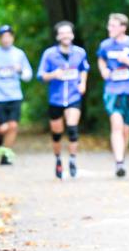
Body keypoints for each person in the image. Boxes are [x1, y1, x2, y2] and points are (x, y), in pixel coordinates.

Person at [96, 13, 129, 177]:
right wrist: (104, 70)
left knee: (126, 130)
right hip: (112, 91)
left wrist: (127, 60)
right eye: (109, 25)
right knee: (116, 126)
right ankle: (119, 162)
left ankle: (121, 159)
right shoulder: (105, 45)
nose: (109, 28)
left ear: (123, 28)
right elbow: (101, 59)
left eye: (112, 25)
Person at [37, 21, 90, 179]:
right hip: (56, 99)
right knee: (57, 133)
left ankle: (73, 160)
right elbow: (41, 75)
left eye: (68, 32)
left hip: (73, 96)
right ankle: (58, 159)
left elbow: (84, 69)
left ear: (73, 35)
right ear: (58, 36)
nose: (66, 35)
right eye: (62, 33)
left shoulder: (80, 53)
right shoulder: (49, 54)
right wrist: (54, 74)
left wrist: (83, 83)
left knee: (72, 129)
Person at [0, 25, 34, 165]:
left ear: (13, 38)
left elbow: (28, 75)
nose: (6, 39)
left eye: (9, 36)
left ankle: (6, 155)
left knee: (13, 126)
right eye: (3, 36)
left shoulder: (19, 54)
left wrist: (20, 70)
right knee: (3, 128)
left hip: (15, 95)